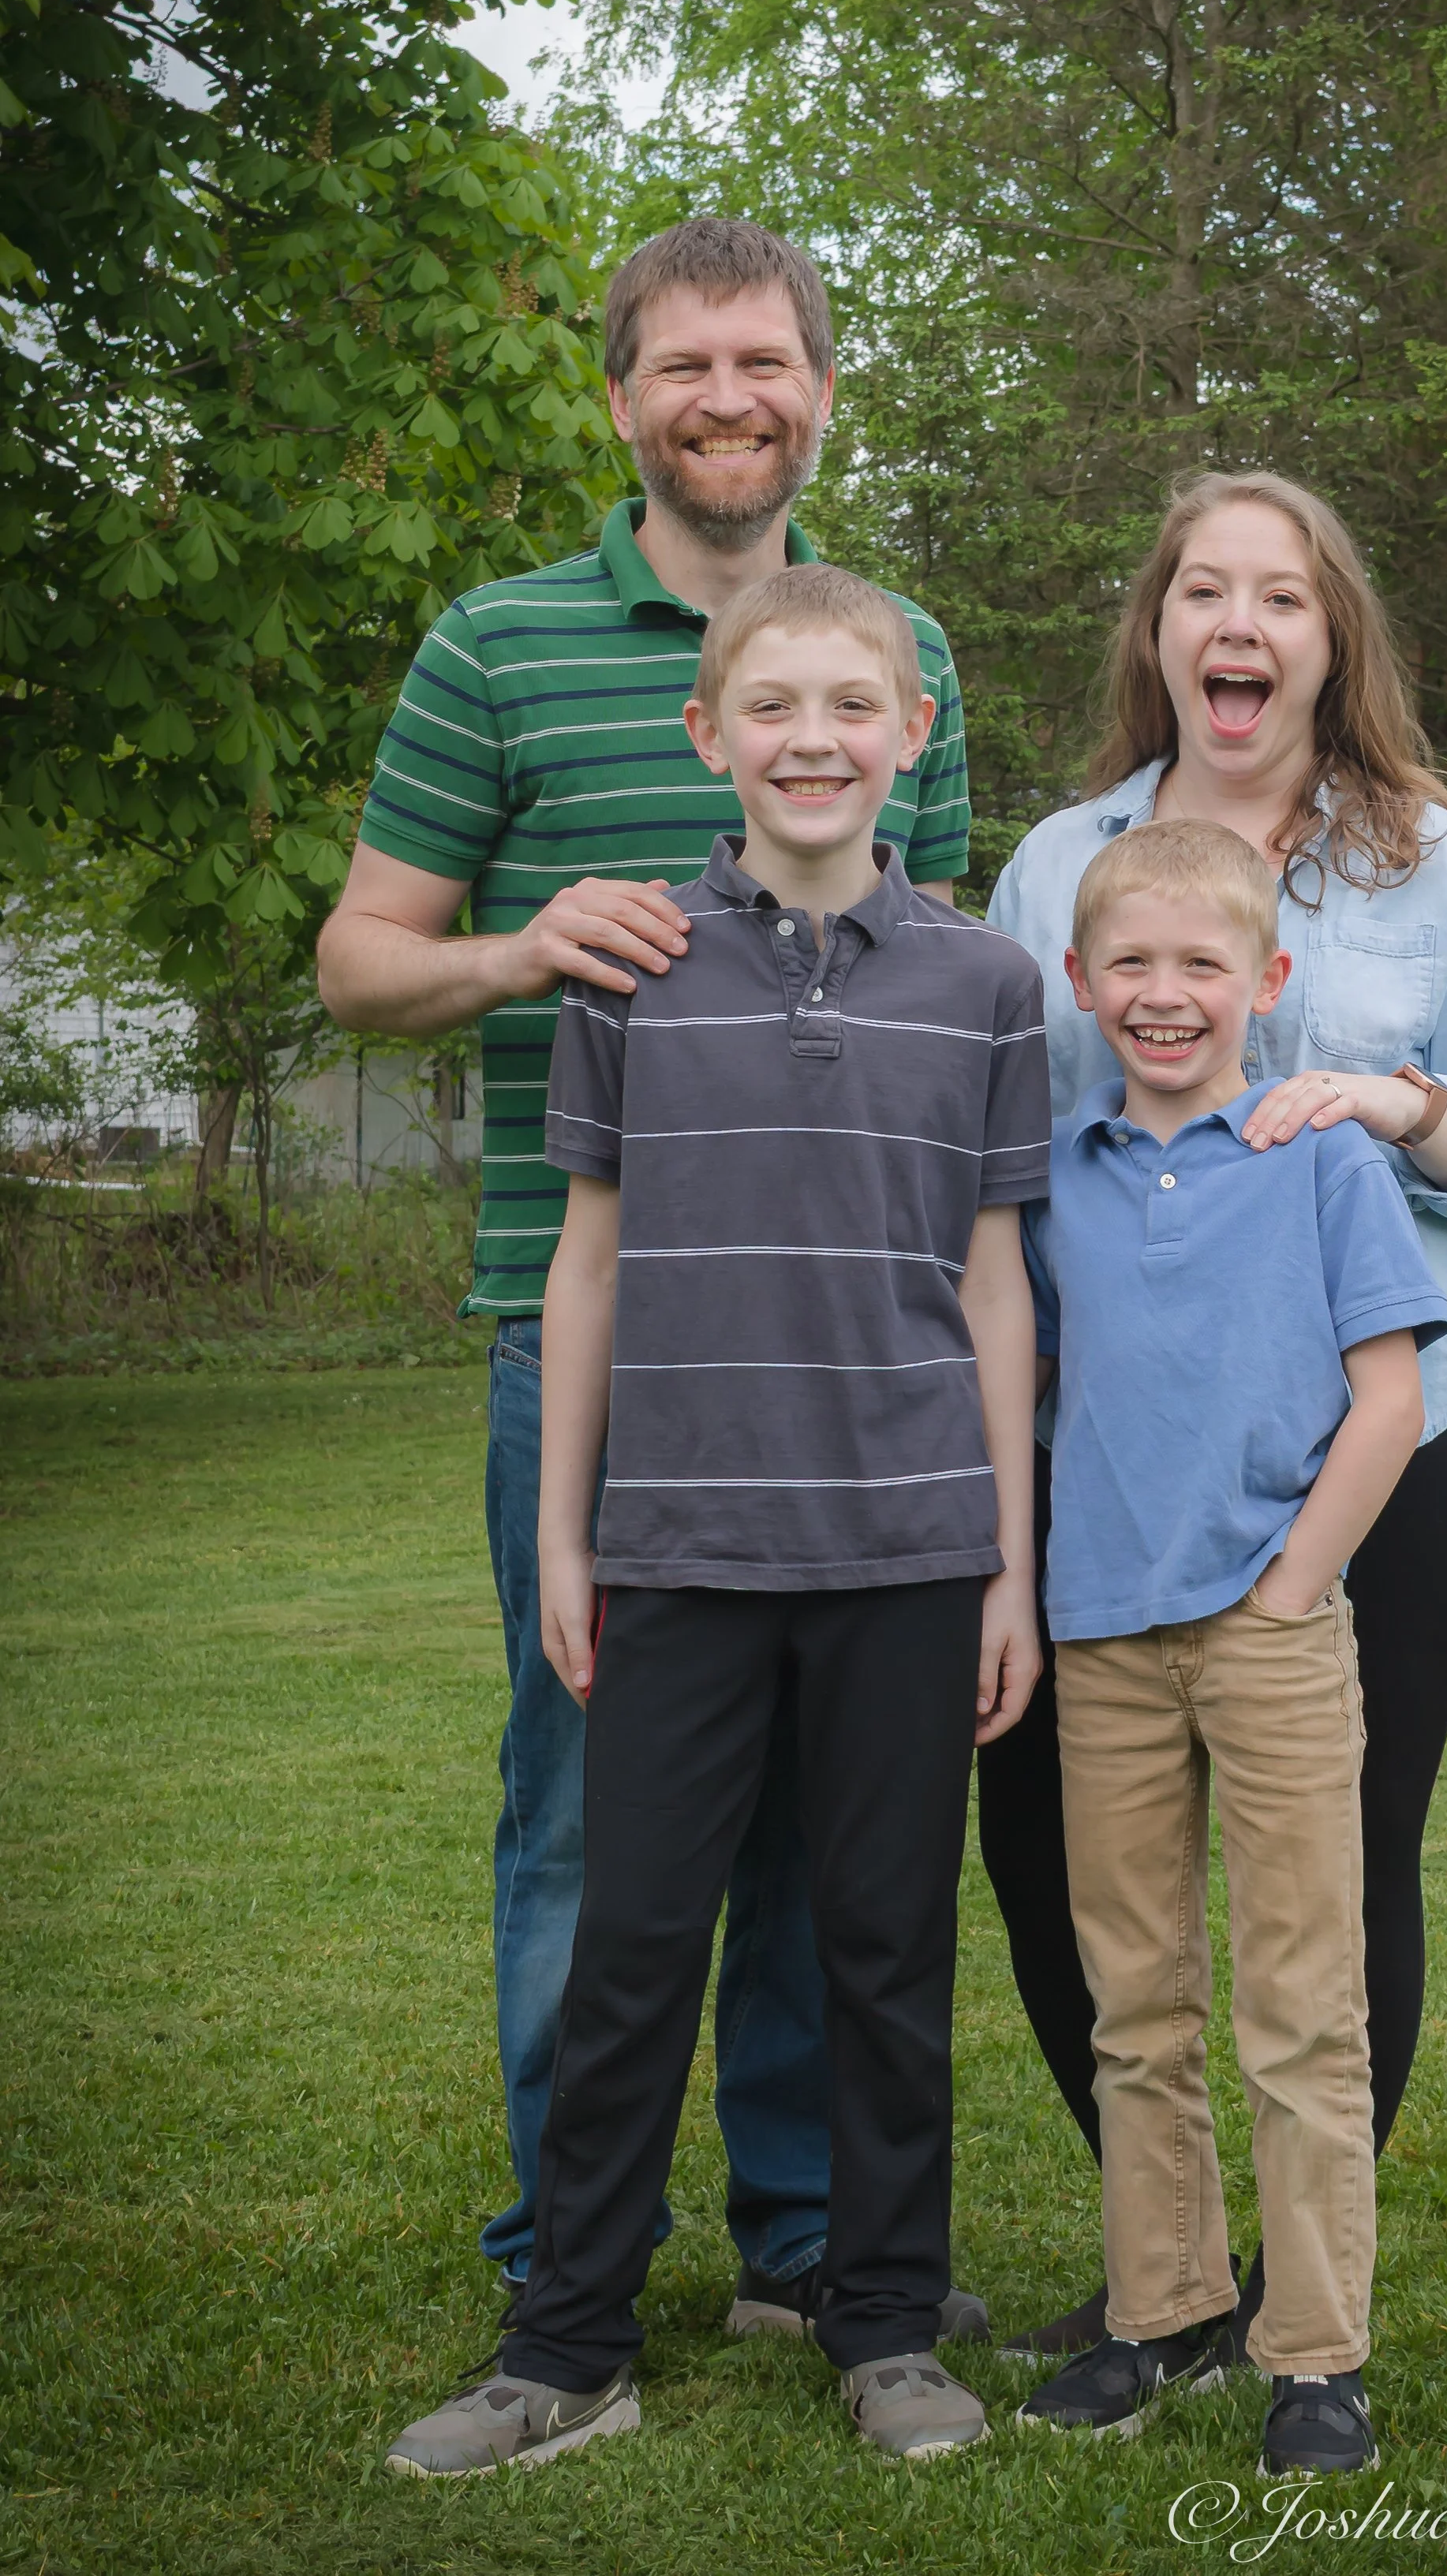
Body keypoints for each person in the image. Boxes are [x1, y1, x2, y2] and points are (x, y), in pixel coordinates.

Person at [316, 221, 980, 2333]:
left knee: (826, 1831)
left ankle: (802, 2242)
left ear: (818, 391)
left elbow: (924, 990)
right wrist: (525, 947)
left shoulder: (895, 648)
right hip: (586, 1323)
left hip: (849, 1348)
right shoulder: (495, 647)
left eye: (765, 362)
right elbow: (356, 961)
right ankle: (567, 2251)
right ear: (623, 400)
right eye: (685, 365)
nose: (728, 397)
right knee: (593, 1814)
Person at [383, 565, 1050, 2476]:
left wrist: (1004, 1557)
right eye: (777, 709)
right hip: (675, 1548)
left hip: (913, 1556)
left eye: (856, 707)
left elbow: (995, 1286)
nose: (816, 740)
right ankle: (566, 2345)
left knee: (882, 1952)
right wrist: (574, 1543)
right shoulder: (640, 967)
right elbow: (583, 1267)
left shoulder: (990, 983)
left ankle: (886, 2320)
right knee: (634, 1948)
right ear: (712, 736)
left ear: (913, 732)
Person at [982, 469, 1447, 2358]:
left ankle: (1296, 2292)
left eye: (1285, 597)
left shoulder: (1439, 865)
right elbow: (1002, 1153)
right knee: (1044, 1848)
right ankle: (1172, 2261)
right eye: (1205, 592)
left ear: (1333, 642)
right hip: (1124, 1459)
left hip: (1396, 1421)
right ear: (1158, 629)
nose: (1241, 625)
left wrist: (1399, 1108)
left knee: (1348, 1849)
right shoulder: (1055, 862)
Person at [1013, 818, 1447, 2470]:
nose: (1165, 992)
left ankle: (1316, 2353)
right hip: (1104, 1637)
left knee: (1297, 2002)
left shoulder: (1322, 1154)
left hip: (1269, 1638)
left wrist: (1287, 1592)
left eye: (1202, 963)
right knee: (1135, 2000)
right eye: (1129, 962)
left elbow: (1391, 1399)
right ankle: (1160, 2310)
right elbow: (1034, 1385)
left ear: (1267, 983)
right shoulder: (1055, 1174)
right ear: (1080, 984)